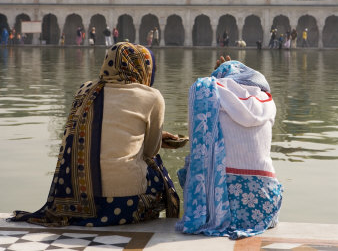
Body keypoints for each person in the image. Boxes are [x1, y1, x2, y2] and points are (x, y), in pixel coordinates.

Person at [9, 42, 180, 227]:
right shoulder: (153, 97)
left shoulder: (84, 90)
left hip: (78, 205)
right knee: (157, 168)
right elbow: (150, 151)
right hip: (124, 206)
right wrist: (158, 138)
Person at [176, 56, 283, 239]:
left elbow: (198, 148)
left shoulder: (207, 92)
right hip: (264, 209)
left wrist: (214, 78)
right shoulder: (267, 102)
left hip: (217, 210)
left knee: (191, 165)